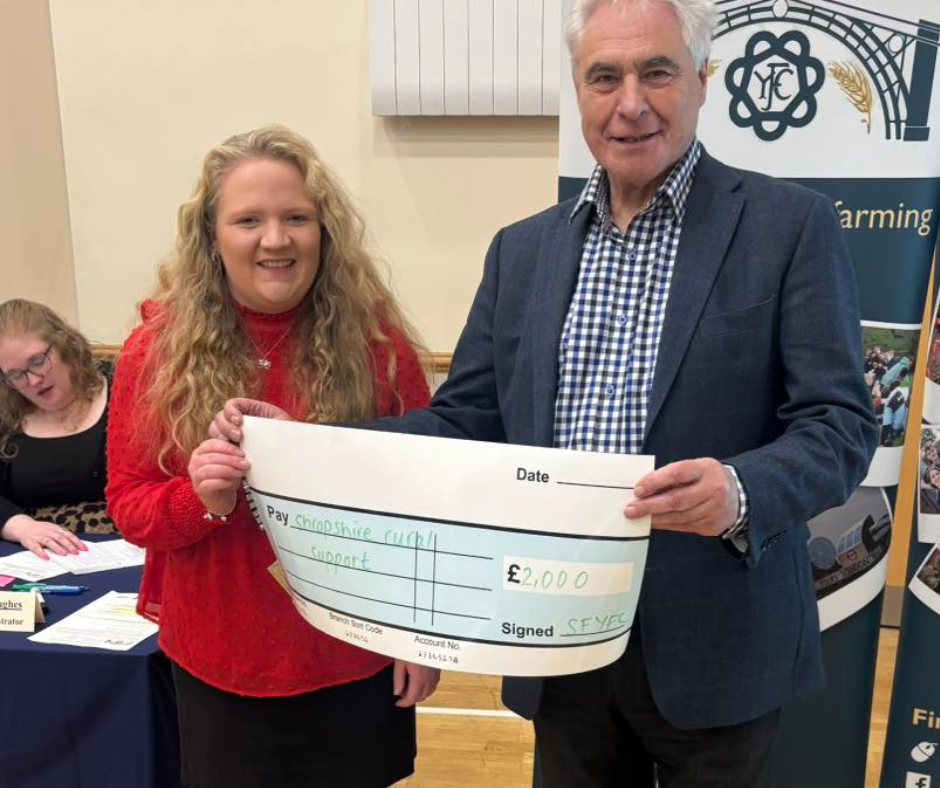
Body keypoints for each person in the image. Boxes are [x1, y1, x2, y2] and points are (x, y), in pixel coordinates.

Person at [213, 1, 878, 785]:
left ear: (703, 79)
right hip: (553, 637)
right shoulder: (522, 251)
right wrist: (309, 443)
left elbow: (839, 425)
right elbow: (465, 421)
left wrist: (738, 490)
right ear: (578, 90)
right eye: (605, 77)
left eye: (656, 72)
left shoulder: (789, 228)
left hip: (720, 644)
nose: (630, 103)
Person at [106, 126, 439, 788]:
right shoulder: (156, 351)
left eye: (296, 218)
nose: (276, 239)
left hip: (354, 653)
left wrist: (418, 635)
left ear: (324, 231)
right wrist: (201, 500)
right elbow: (130, 506)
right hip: (218, 667)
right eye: (248, 220)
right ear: (211, 237)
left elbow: (421, 500)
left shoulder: (377, 346)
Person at [0, 299, 112, 559]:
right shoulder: (6, 415)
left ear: (63, 345)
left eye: (37, 361)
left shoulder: (122, 388)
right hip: (37, 559)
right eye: (16, 375)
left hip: (122, 548)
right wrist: (20, 526)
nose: (32, 380)